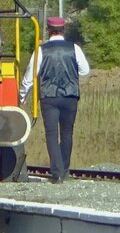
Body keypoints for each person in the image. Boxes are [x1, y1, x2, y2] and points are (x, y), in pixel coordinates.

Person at [19, 17, 90, 183]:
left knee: (51, 134)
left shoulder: (41, 50)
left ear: (48, 30)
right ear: (63, 30)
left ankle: (57, 173)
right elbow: (85, 70)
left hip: (49, 96)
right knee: (67, 133)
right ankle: (64, 170)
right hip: (70, 95)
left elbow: (30, 76)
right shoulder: (74, 48)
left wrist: (22, 95)